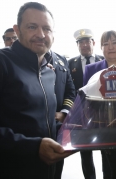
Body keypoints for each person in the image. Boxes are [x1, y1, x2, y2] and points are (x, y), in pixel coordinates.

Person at [0, 2, 72, 179]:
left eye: (47, 29)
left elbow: (43, 123)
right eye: (32, 27)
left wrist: (73, 131)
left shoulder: (48, 73)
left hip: (49, 171)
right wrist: (34, 147)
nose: (41, 35)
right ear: (17, 30)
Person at [83, 30, 116, 179]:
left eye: (114, 42)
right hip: (107, 127)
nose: (110, 47)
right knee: (113, 171)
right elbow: (87, 101)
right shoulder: (91, 70)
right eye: (105, 44)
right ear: (101, 48)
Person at [68, 28, 104, 179]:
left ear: (93, 43)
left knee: (106, 148)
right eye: (80, 42)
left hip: (101, 113)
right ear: (77, 45)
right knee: (85, 150)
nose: (84, 45)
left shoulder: (103, 60)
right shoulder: (70, 63)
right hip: (81, 113)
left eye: (87, 42)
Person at [46, 50, 76, 179]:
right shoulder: (18, 59)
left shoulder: (61, 59)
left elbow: (70, 90)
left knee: (57, 169)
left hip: (58, 126)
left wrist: (64, 112)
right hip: (31, 128)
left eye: (47, 29)